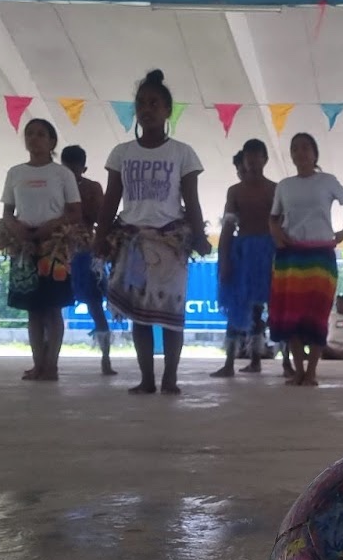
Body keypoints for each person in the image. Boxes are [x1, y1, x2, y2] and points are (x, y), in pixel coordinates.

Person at [97, 69, 210, 395]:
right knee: (139, 315)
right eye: (141, 103)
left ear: (167, 111)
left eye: (154, 103)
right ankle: (147, 378)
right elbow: (111, 200)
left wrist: (200, 237)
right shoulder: (121, 153)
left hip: (171, 241)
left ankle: (170, 378)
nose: (147, 109)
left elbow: (192, 200)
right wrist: (99, 237)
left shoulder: (183, 153)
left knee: (172, 314)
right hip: (131, 240)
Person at [269, 132, 343, 387]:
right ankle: (298, 370)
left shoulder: (327, 181)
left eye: (306, 147)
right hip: (291, 256)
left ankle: (312, 372)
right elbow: (273, 217)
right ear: (291, 155)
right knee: (291, 314)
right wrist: (277, 234)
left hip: (320, 256)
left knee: (317, 313)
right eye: (295, 148)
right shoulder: (284, 185)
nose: (300, 152)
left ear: (315, 154)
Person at [0, 118, 81, 382]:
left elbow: (74, 212)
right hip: (23, 247)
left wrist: (51, 227)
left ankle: (52, 365)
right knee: (33, 309)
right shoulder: (15, 173)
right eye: (30, 134)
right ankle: (38, 364)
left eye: (40, 134)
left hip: (54, 247)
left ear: (52, 142)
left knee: (53, 308)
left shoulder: (62, 174)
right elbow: (7, 212)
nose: (34, 138)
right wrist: (16, 228)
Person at [214, 140, 278, 377]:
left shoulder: (275, 189)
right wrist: (224, 259)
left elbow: (283, 224)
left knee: (271, 308)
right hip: (242, 252)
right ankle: (230, 362)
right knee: (237, 305)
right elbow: (228, 227)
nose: (252, 161)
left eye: (257, 156)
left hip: (270, 251)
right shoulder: (235, 191)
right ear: (244, 159)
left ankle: (278, 361)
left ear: (264, 159)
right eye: (248, 157)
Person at [61, 145, 114, 376]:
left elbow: (101, 218)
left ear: (83, 168)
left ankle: (105, 357)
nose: (72, 173)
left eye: (75, 169)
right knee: (51, 307)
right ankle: (45, 358)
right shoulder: (57, 186)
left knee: (93, 304)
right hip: (60, 248)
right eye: (68, 169)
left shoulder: (90, 188)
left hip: (79, 250)